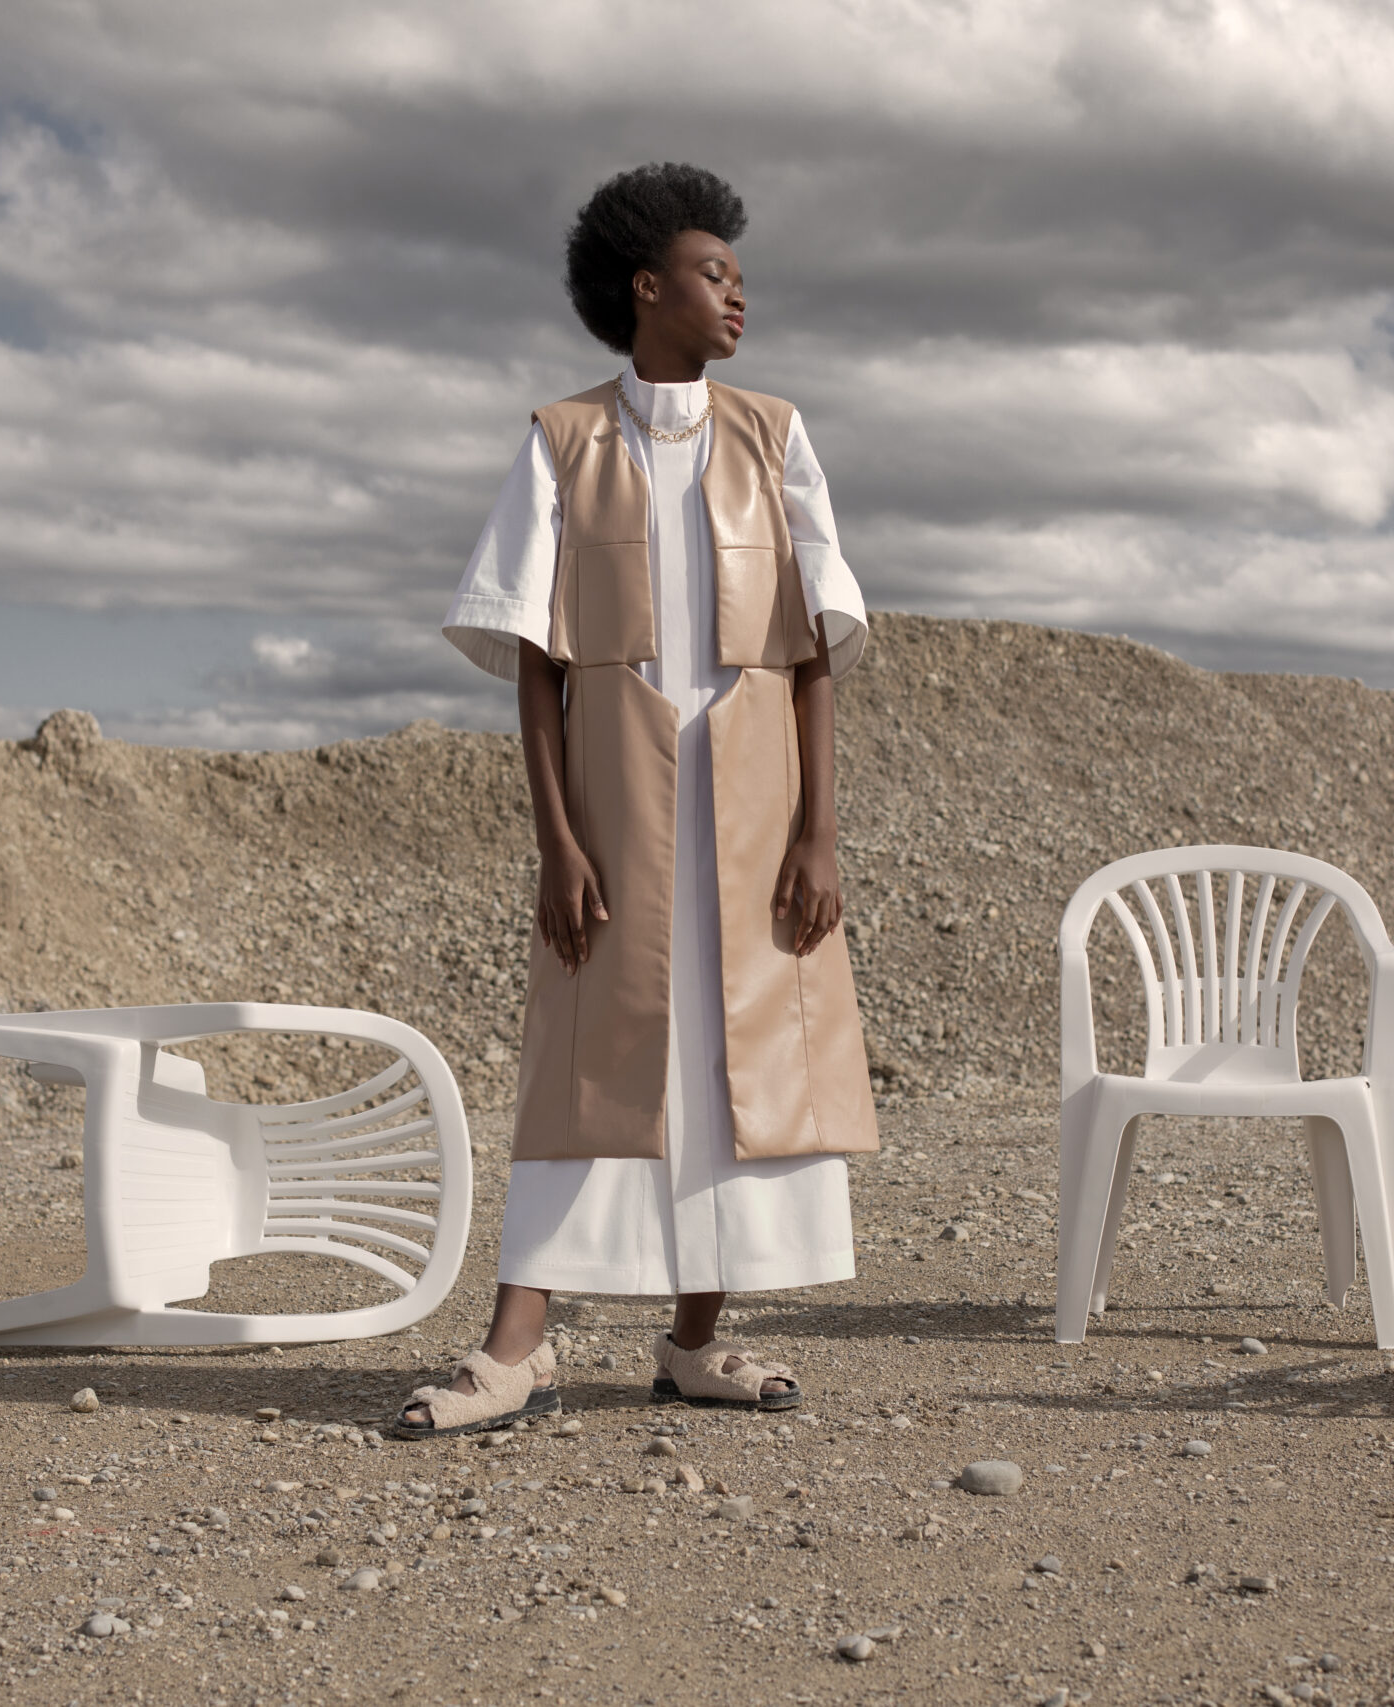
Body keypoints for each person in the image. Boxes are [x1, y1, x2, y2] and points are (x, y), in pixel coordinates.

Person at [396, 162, 880, 1437]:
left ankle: (692, 1342)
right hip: (615, 814)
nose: (737, 297)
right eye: (713, 274)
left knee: (737, 1069)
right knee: (588, 1065)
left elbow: (815, 651)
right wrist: (556, 843)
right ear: (643, 287)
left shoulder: (774, 435)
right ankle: (515, 1350)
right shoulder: (562, 441)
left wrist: (821, 832)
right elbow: (536, 664)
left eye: (739, 277)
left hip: (758, 813)